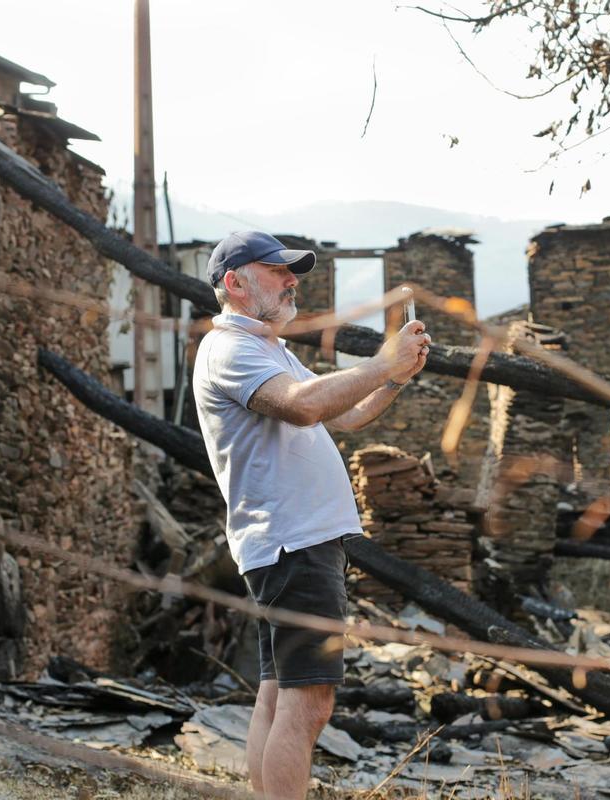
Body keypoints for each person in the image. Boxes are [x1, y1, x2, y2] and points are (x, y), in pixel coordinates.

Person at [192, 231, 430, 799]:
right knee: (310, 702)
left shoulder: (268, 346)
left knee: (278, 696)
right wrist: (380, 361)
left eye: (291, 270)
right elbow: (304, 407)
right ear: (235, 283)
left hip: (293, 543)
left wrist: (393, 378)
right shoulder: (230, 347)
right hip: (290, 543)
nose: (292, 279)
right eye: (277, 272)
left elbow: (339, 416)